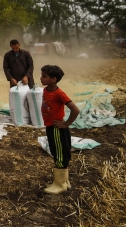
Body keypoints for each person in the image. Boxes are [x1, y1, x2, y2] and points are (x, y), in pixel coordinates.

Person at [40, 64, 80, 194]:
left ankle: (59, 184)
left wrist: (66, 123)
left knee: (60, 154)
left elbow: (75, 110)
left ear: (53, 79)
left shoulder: (59, 93)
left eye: (44, 76)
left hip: (57, 128)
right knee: (56, 152)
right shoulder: (46, 90)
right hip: (50, 127)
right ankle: (64, 182)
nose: (41, 78)